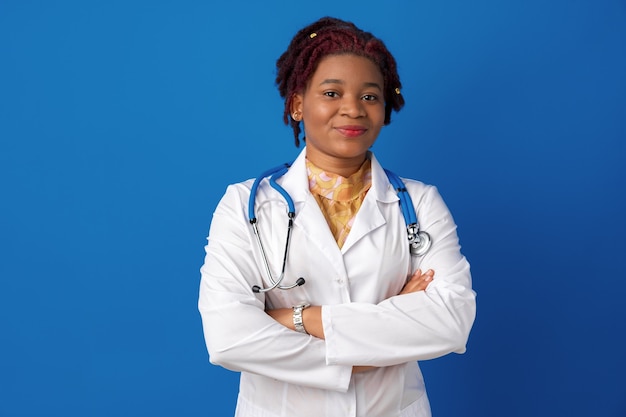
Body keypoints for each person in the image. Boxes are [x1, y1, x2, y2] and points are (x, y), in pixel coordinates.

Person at [198, 16, 476, 417]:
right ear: (297, 104)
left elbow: (451, 321)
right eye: (332, 92)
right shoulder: (246, 204)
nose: (353, 109)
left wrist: (298, 318)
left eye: (369, 96)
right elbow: (228, 337)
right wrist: (379, 337)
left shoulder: (420, 202)